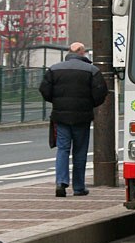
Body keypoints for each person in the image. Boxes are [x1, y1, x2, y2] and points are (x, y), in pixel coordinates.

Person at [39, 42, 108, 197]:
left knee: (63, 149)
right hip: (82, 116)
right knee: (80, 151)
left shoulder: (54, 69)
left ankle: (61, 182)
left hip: (61, 116)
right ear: (82, 52)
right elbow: (101, 92)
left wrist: (57, 102)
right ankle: (79, 187)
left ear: (69, 52)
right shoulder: (92, 70)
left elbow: (44, 90)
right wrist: (90, 104)